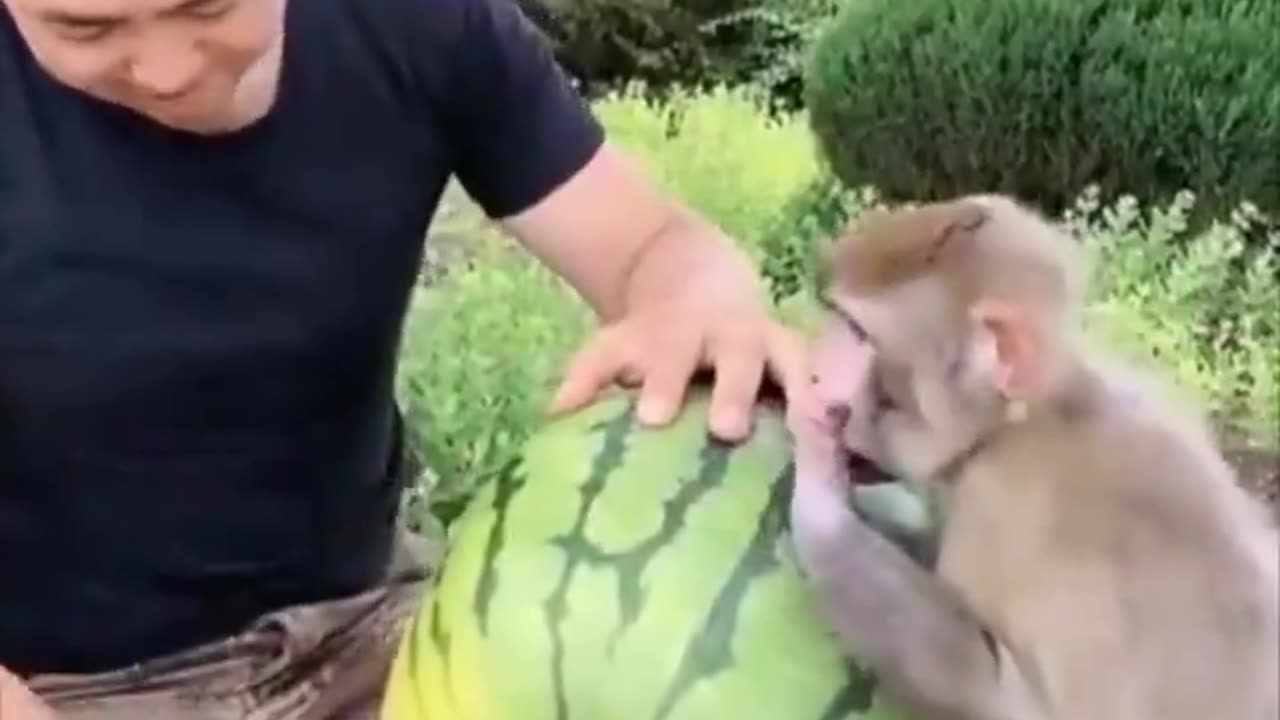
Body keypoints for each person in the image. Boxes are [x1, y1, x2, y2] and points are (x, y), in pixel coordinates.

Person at [0, 0, 813, 717]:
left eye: (209, 6)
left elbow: (653, 246)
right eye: (84, 27)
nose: (166, 70)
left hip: (371, 634)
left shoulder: (413, 24)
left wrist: (700, 308)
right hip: (69, 684)